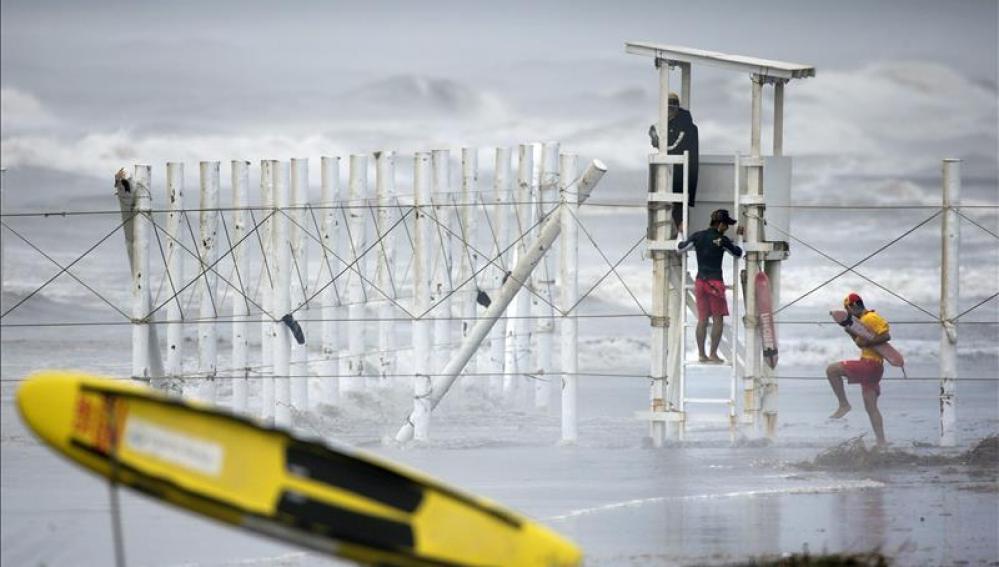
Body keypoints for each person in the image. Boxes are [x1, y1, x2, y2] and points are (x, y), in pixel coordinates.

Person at [678, 209, 742, 363]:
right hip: (715, 283)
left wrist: (680, 233)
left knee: (702, 320)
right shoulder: (721, 240)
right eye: (726, 225)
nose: (727, 228)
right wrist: (740, 237)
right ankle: (713, 354)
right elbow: (738, 253)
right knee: (718, 320)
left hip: (700, 282)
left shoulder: (698, 236)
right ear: (720, 224)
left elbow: (680, 248)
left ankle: (701, 354)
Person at [826, 292, 889, 445]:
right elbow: (861, 343)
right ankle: (882, 442)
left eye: (848, 310)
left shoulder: (870, 318)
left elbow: (886, 336)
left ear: (853, 306)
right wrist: (851, 332)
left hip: (870, 365)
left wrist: (869, 341)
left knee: (831, 370)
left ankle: (844, 404)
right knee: (871, 407)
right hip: (875, 368)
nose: (848, 314)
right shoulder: (863, 321)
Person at [648, 92, 699, 232]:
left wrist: (659, 141)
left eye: (672, 104)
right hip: (673, 172)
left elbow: (672, 145)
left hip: (682, 172)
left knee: (679, 204)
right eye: (668, 104)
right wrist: (654, 133)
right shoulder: (671, 124)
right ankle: (677, 232)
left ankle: (680, 232)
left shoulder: (685, 126)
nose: (670, 107)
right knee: (674, 205)